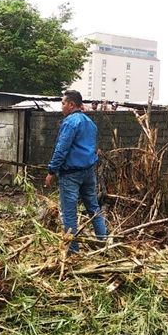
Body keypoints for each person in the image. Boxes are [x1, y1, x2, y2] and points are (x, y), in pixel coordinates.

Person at [45, 89, 107, 253]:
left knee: (69, 212)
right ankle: (104, 243)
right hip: (88, 171)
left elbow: (61, 149)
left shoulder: (71, 122)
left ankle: (72, 251)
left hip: (71, 174)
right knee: (94, 208)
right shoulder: (90, 123)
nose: (62, 107)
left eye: (63, 103)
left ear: (72, 105)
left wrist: (51, 171)